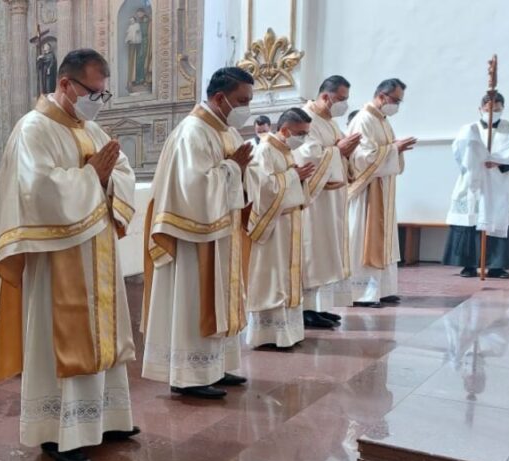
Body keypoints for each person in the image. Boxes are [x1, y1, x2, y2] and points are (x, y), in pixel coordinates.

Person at [0, 48, 139, 461]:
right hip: (59, 260)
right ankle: (58, 432)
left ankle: (107, 418)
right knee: (64, 340)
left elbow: (123, 172)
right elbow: (37, 191)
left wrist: (105, 180)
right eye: (93, 91)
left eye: (103, 94)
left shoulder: (92, 129)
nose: (98, 100)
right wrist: (92, 177)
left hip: (98, 255)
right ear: (65, 84)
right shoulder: (33, 130)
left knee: (104, 338)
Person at [142, 66, 254, 400]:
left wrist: (243, 171)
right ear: (220, 98)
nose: (246, 107)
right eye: (241, 100)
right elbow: (195, 188)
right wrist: (234, 168)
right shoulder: (193, 131)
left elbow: (243, 172)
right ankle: (188, 374)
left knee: (221, 298)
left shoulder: (225, 130)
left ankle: (215, 366)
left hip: (222, 234)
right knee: (194, 299)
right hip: (193, 236)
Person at [294, 75, 360, 329]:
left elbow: (335, 149)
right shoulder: (304, 117)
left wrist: (346, 151)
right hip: (313, 200)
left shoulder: (329, 122)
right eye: (341, 99)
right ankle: (304, 309)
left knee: (323, 252)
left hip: (330, 199)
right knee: (311, 252)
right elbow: (306, 154)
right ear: (325, 96)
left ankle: (315, 306)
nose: (343, 104)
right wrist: (338, 150)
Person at [246, 108, 315, 349]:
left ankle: (289, 332)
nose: (303, 139)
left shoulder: (286, 149)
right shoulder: (265, 149)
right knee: (273, 277)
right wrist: (294, 177)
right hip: (273, 225)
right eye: (300, 133)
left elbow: (288, 179)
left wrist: (298, 178)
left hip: (289, 221)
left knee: (288, 276)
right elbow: (263, 189)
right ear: (285, 130)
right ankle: (268, 334)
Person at [347, 78, 417, 307]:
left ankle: (383, 289)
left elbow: (382, 151)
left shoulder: (382, 121)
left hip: (382, 188)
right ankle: (361, 292)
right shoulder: (364, 119)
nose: (397, 105)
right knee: (364, 239)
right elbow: (361, 157)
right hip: (368, 191)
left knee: (385, 240)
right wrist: (394, 148)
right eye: (395, 100)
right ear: (382, 96)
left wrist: (395, 149)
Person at [443, 91, 509, 278]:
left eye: (497, 109)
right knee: (471, 219)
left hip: (499, 181)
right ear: (480, 109)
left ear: (502, 109)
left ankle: (497, 265)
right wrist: (477, 159)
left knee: (497, 219)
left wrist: (499, 161)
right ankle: (469, 264)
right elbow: (460, 153)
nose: (492, 112)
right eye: (488, 109)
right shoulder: (469, 129)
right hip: (474, 182)